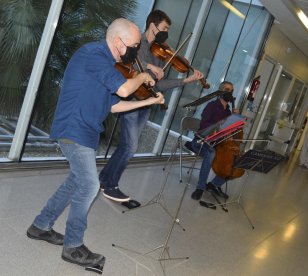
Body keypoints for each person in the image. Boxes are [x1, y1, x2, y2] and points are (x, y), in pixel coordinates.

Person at [26, 18, 164, 268]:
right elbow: (123, 90)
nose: (135, 51)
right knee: (90, 185)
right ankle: (73, 246)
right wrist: (143, 75)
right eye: (133, 45)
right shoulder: (93, 55)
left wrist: (149, 102)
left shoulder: (109, 66)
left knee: (75, 182)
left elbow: (114, 105)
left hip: (87, 131)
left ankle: (40, 226)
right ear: (118, 42)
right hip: (73, 128)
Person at [99, 10, 204, 202]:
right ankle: (110, 184)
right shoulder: (136, 42)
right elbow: (127, 63)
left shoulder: (159, 52)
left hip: (146, 102)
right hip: (131, 100)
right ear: (153, 25)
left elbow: (158, 84)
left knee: (127, 147)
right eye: (164, 28)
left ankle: (104, 179)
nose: (166, 33)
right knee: (130, 147)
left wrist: (184, 81)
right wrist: (148, 67)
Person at [190, 81, 239, 200]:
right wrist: (219, 125)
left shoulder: (228, 111)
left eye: (231, 91)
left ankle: (214, 184)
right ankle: (200, 187)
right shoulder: (211, 106)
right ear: (220, 91)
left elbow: (230, 129)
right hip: (201, 141)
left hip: (218, 143)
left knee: (233, 159)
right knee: (210, 153)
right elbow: (204, 126)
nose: (230, 93)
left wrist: (235, 118)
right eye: (227, 90)